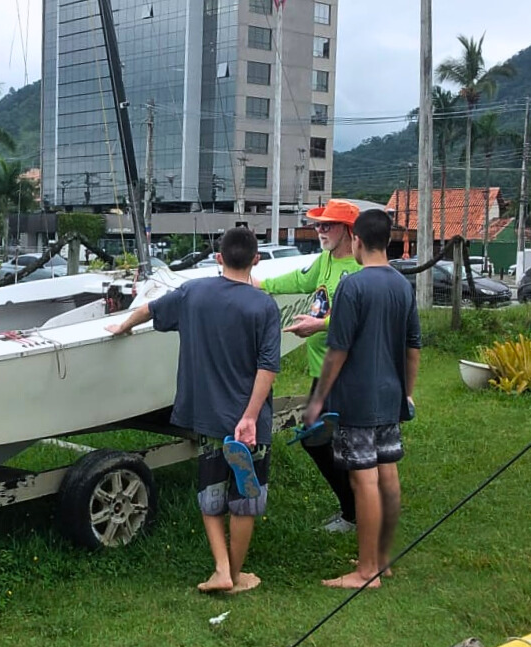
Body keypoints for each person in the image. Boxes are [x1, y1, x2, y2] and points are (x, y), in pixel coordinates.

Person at [107, 226, 282, 594]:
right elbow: (267, 366)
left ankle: (221, 569)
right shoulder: (264, 306)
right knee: (245, 499)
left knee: (211, 492)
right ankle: (236, 575)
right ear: (256, 260)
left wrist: (122, 326)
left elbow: (149, 310)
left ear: (218, 258)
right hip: (249, 423)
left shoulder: (194, 293)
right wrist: (250, 417)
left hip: (209, 416)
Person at [304, 209, 421, 589]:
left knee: (364, 480)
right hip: (390, 396)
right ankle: (382, 559)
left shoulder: (352, 286)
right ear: (387, 241)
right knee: (388, 474)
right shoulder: (402, 285)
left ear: (356, 240)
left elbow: (337, 350)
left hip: (357, 398)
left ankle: (367, 571)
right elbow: (413, 348)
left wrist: (318, 399)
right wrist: (407, 392)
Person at [255, 199, 362, 534]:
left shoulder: (361, 269)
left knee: (324, 439)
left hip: (346, 372)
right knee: (320, 439)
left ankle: (355, 512)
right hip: (322, 370)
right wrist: (259, 284)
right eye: (317, 225)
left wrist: (320, 325)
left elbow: (360, 319)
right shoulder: (326, 260)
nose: (319, 231)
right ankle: (357, 507)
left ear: (348, 230)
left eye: (327, 225)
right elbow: (299, 280)